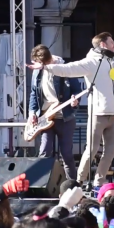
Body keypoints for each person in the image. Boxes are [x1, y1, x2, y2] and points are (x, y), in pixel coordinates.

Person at [28, 20, 114, 187]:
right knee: (91, 151)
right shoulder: (91, 63)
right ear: (103, 44)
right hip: (98, 115)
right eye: (112, 42)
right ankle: (79, 181)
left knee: (110, 152)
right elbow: (68, 69)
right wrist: (46, 68)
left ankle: (99, 182)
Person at [28, 45, 82, 179]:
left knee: (67, 155)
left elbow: (76, 90)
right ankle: (41, 184)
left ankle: (72, 185)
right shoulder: (37, 72)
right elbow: (34, 93)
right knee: (44, 151)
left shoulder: (65, 68)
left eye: (42, 64)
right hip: (45, 117)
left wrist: (75, 100)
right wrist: (32, 113)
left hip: (65, 117)